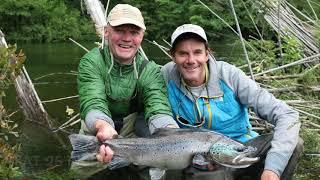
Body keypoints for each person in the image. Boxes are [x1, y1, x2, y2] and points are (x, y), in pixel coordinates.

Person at [161, 24, 303, 180]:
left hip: (243, 148)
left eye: (197, 52)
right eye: (183, 54)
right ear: (172, 56)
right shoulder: (164, 78)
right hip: (202, 159)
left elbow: (287, 114)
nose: (191, 60)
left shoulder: (229, 75)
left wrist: (273, 168)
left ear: (207, 54)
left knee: (295, 143)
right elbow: (148, 114)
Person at [76, 3, 178, 177]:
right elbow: (93, 100)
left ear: (142, 36)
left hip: (131, 132)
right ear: (106, 32)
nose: (127, 38)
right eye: (120, 30)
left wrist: (170, 131)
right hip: (96, 128)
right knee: (83, 173)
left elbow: (157, 106)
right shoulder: (91, 62)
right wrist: (102, 126)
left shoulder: (150, 70)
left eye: (134, 32)